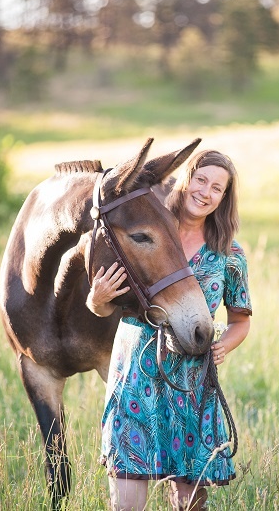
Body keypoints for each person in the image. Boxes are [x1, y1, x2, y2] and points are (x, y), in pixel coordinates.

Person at [87, 149, 252, 510]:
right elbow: (102, 307)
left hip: (191, 382)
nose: (205, 192)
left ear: (224, 198)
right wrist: (96, 299)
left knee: (189, 503)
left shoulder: (229, 254)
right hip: (135, 374)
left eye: (217, 188)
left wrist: (226, 344)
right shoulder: (148, 229)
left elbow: (241, 320)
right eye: (201, 180)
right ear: (186, 178)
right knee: (127, 502)